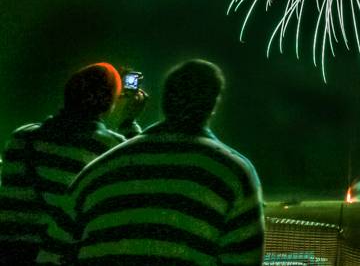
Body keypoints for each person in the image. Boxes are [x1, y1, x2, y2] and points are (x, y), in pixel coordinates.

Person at [39, 59, 265, 265]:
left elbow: (52, 253)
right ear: (212, 105)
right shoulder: (235, 174)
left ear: (164, 101)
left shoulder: (96, 171)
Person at [0, 63, 125, 264]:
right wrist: (127, 122)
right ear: (109, 102)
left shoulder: (21, 137)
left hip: (8, 253)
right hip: (58, 256)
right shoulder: (110, 147)